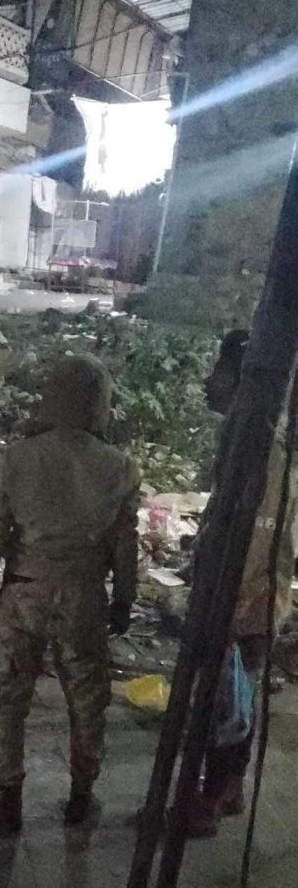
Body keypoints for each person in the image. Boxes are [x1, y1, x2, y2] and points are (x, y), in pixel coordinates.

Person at [0, 354, 139, 833]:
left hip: (24, 592)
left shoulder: (18, 458)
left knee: (10, 697)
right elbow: (125, 545)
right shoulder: (119, 467)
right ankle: (80, 798)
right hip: (84, 596)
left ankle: (9, 799)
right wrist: (124, 600)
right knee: (87, 701)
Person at [186, 328, 298, 837]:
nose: (210, 382)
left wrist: (230, 605)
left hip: (244, 601)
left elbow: (259, 535)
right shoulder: (256, 444)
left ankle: (209, 799)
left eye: (220, 372)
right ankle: (227, 790)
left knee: (222, 703)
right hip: (252, 600)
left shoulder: (259, 453)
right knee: (237, 695)